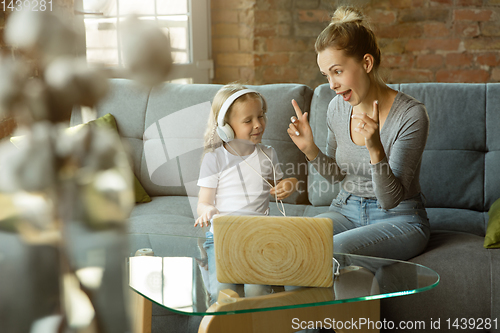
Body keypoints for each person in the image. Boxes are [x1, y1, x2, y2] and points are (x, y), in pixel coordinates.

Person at [287, 6, 430, 261]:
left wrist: (375, 148)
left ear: (366, 63)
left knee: (331, 252)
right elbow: (337, 175)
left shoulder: (411, 115)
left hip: (399, 218)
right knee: (291, 243)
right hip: (346, 209)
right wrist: (311, 150)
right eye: (326, 75)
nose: (332, 85)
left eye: (337, 71)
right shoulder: (336, 108)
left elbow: (389, 200)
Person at [194, 83, 298, 303]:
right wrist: (208, 209)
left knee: (256, 292)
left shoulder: (268, 154)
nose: (258, 125)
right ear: (226, 127)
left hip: (258, 236)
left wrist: (288, 185)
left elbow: (280, 183)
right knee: (221, 293)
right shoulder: (215, 159)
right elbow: (203, 202)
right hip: (222, 238)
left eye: (261, 117)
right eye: (248, 120)